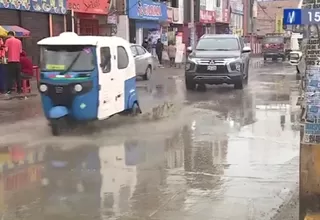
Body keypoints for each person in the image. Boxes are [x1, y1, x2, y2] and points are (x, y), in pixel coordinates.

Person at [5, 31, 22, 96]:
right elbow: (20, 51)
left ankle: (10, 90)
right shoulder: (19, 41)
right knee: (18, 76)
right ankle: (19, 90)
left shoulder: (8, 41)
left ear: (9, 35)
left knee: (10, 76)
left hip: (11, 61)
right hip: (17, 61)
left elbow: (6, 50)